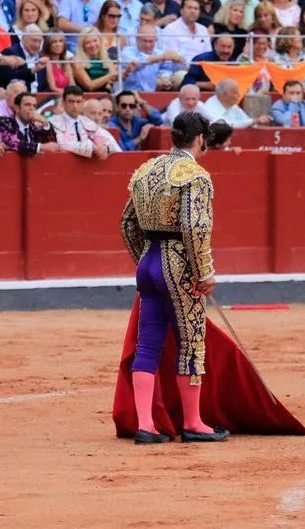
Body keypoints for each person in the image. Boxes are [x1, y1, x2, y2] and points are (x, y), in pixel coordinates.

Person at [118, 111, 230, 445]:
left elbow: (126, 224)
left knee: (148, 343)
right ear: (201, 140)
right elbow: (195, 228)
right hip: (178, 266)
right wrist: (203, 272)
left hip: (148, 264)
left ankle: (145, 425)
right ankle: (193, 422)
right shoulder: (195, 175)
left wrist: (146, 260)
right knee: (191, 344)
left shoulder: (145, 170)